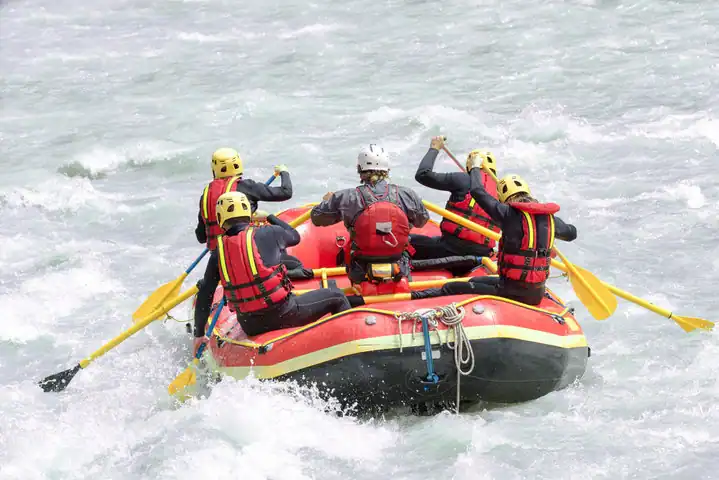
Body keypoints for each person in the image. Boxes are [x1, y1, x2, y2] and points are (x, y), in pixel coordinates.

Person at [193, 192, 351, 350]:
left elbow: (205, 294)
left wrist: (199, 333)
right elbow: (294, 236)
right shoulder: (268, 233)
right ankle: (346, 350)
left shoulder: (218, 252)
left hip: (250, 325)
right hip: (284, 313)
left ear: (221, 219)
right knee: (337, 296)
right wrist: (269, 217)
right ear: (249, 213)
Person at [413, 163, 578, 306]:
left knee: (451, 287)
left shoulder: (507, 214)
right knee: (474, 281)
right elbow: (572, 233)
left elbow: (477, 191)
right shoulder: (550, 220)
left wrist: (476, 168)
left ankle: (416, 297)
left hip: (510, 291)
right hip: (536, 293)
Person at [193, 148, 294, 345]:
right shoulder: (245, 186)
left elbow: (200, 236)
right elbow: (285, 192)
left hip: (220, 261)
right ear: (238, 164)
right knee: (292, 263)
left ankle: (201, 331)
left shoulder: (205, 195)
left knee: (207, 286)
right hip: (248, 251)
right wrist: (284, 172)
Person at [310, 144, 430, 292]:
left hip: (360, 268)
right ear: (387, 170)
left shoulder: (346, 197)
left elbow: (317, 218)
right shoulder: (407, 194)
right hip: (399, 265)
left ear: (359, 170)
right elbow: (422, 220)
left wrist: (328, 201)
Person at [410, 136, 501, 261]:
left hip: (450, 249)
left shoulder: (464, 179)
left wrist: (434, 148)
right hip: (484, 253)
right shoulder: (502, 193)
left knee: (404, 242)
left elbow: (423, 174)